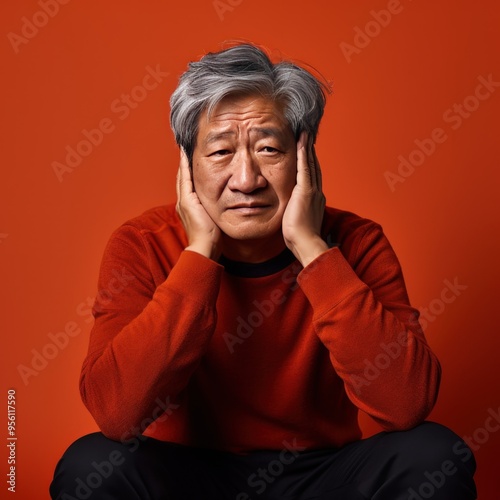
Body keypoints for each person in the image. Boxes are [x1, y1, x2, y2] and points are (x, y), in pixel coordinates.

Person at [50, 43, 477, 499]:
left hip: (322, 477)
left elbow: (406, 404)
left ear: (304, 157)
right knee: (90, 464)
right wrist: (199, 256)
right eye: (220, 152)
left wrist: (313, 250)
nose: (246, 179)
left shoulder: (357, 242)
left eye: (269, 148)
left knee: (434, 453)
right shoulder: (142, 244)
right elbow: (117, 414)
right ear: (187, 164)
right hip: (188, 479)